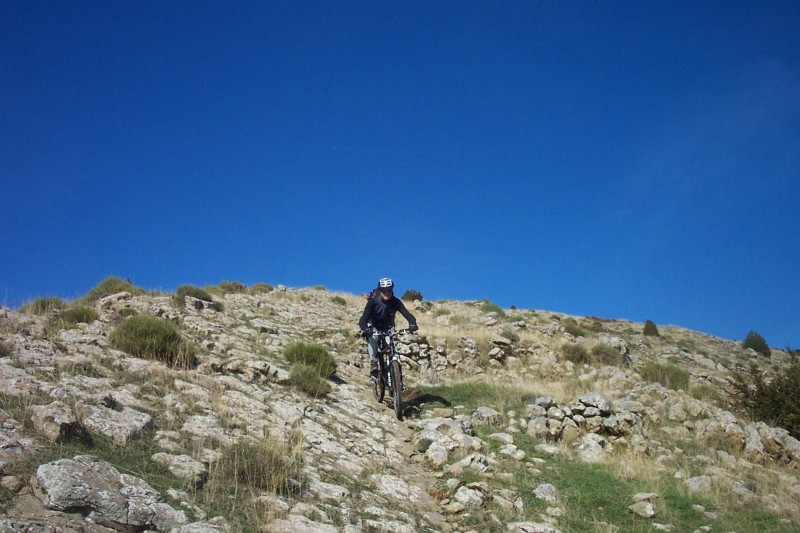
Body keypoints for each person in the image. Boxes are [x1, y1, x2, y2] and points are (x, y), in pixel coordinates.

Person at [359, 277, 418, 378]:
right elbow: (363, 319)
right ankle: (373, 362)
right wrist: (366, 328)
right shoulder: (373, 301)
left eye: (389, 290)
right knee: (373, 338)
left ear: (392, 290)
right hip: (373, 325)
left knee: (390, 344)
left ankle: (393, 373)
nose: (387, 293)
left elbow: (408, 314)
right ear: (380, 290)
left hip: (387, 327)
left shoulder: (395, 302)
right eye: (384, 290)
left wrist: (412, 323)